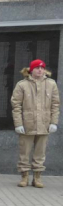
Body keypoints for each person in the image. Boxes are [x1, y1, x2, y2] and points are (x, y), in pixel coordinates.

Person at [11, 58, 60, 188]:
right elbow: (16, 105)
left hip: (44, 124)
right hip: (27, 124)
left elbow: (55, 104)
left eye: (42, 68)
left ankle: (37, 177)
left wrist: (54, 122)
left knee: (40, 152)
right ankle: (24, 176)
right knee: (24, 152)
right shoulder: (22, 85)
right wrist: (18, 123)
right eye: (37, 68)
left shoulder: (51, 84)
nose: (40, 70)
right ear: (31, 70)